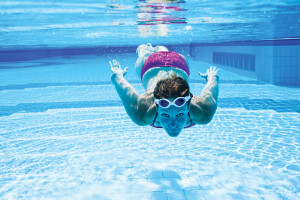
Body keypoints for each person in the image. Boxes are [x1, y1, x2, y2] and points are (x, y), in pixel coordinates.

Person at [110, 43, 219, 137]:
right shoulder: (204, 113)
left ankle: (147, 49)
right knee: (144, 51)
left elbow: (213, 82)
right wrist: (212, 76)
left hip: (175, 62)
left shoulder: (141, 114)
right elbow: (117, 81)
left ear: (188, 107)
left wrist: (118, 74)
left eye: (180, 114)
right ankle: (145, 49)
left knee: (150, 51)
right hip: (166, 62)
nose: (172, 124)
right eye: (165, 115)